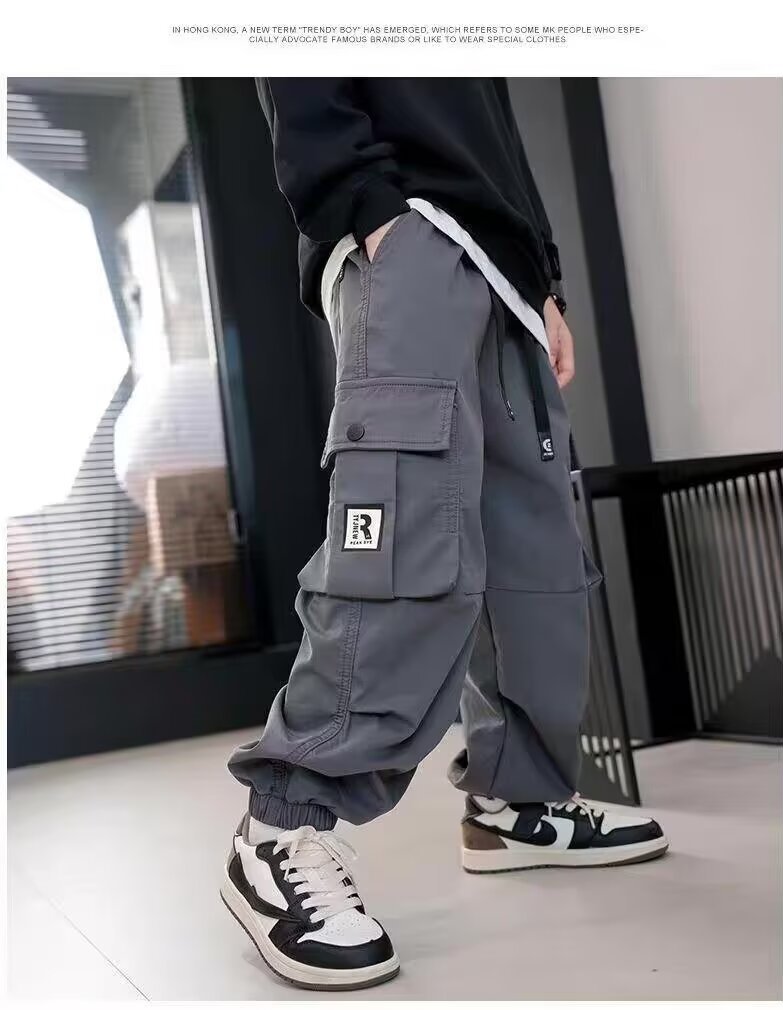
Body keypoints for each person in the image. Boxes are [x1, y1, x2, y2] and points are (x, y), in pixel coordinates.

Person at [221, 79, 668, 992]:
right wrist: (361, 203)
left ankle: (519, 800)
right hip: (408, 224)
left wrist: (542, 276)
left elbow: (488, 119)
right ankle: (281, 824)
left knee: (535, 561)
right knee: (402, 544)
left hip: (505, 267)